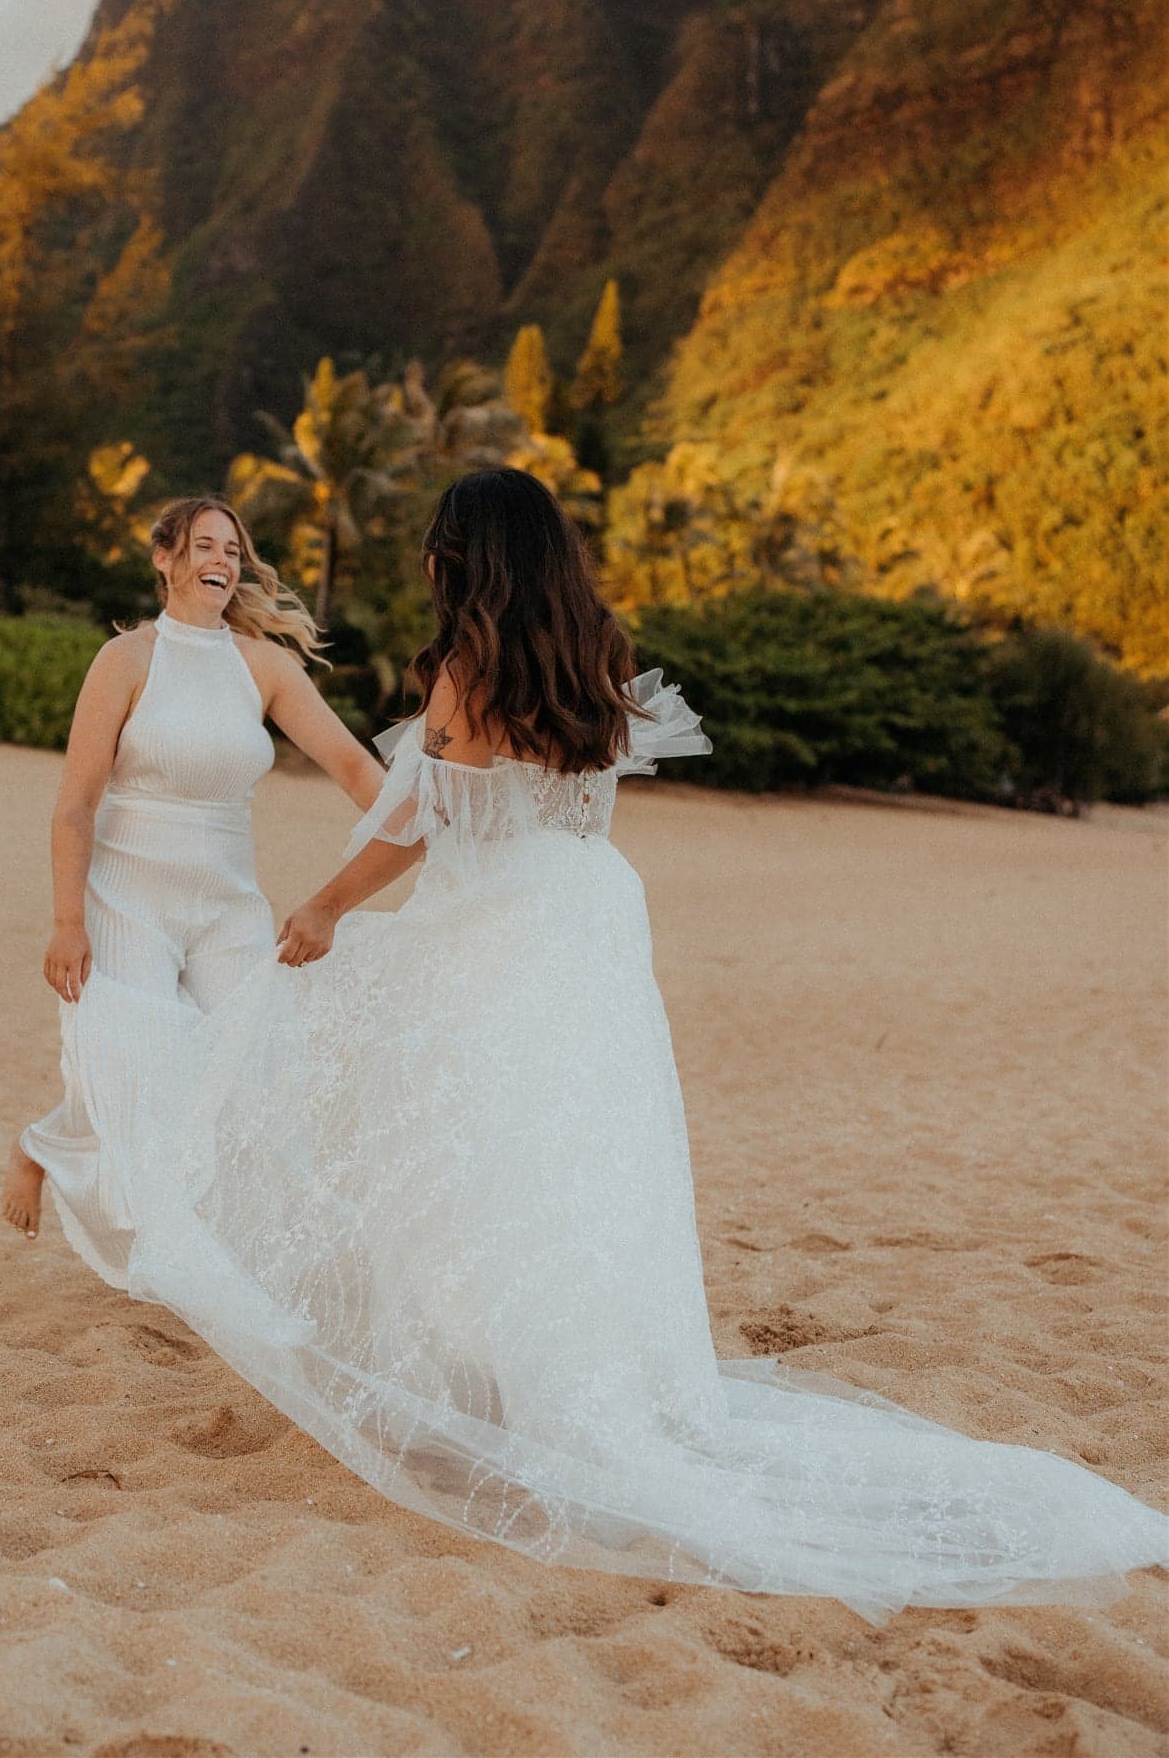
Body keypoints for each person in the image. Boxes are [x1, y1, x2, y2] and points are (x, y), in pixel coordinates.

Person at [118, 467, 1168, 1624]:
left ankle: (522, 1380)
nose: (428, 564)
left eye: (438, 548)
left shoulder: (470, 670)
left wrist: (320, 906)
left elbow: (421, 817)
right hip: (592, 922)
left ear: (469, 557)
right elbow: (557, 798)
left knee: (487, 1138)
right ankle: (575, 1357)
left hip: (506, 925)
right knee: (580, 1148)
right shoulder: (593, 649)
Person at [0, 496, 383, 1284]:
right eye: (205, 546)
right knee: (141, 1053)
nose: (222, 561)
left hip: (225, 905)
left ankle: (221, 1242)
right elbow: (75, 803)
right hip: (125, 896)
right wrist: (66, 920)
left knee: (249, 1067)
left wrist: (414, 827)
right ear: (165, 559)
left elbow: (350, 765)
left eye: (233, 551)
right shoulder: (128, 661)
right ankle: (45, 1147)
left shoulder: (263, 667)